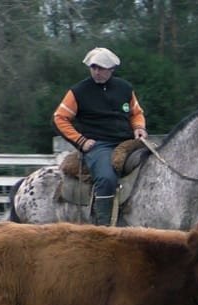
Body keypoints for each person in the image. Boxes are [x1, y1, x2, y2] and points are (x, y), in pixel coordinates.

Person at [52, 47, 148, 226]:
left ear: (111, 69)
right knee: (106, 177)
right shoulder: (78, 92)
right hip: (99, 145)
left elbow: (136, 113)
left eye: (101, 68)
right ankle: (103, 226)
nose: (96, 71)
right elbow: (60, 118)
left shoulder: (125, 88)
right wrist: (81, 141)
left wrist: (139, 127)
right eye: (93, 67)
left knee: (153, 164)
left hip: (128, 142)